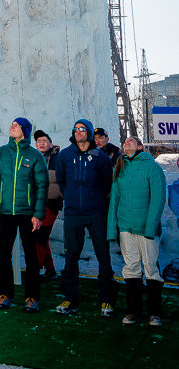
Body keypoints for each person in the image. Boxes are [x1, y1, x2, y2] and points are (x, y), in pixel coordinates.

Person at [55, 118, 115, 317]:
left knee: (103, 255)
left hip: (96, 212)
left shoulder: (100, 157)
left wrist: (95, 199)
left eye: (82, 129)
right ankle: (70, 298)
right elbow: (61, 180)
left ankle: (106, 299)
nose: (78, 132)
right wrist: (70, 196)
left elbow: (107, 183)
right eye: (76, 129)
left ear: (89, 132)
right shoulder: (65, 155)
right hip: (73, 213)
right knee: (71, 255)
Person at [0, 117, 48, 312]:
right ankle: (4, 295)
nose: (12, 127)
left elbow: (42, 186)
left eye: (17, 125)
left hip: (27, 214)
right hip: (4, 212)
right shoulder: (0, 153)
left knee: (31, 256)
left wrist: (38, 214)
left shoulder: (34, 155)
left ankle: (32, 297)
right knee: (3, 254)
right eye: (11, 124)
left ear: (25, 131)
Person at [107, 136, 166, 326]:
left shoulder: (152, 167)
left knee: (150, 267)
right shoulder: (120, 167)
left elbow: (158, 198)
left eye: (131, 140)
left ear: (140, 146)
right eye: (125, 141)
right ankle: (133, 311)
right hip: (126, 228)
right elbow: (114, 200)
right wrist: (112, 228)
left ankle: (154, 313)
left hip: (147, 229)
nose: (127, 142)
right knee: (131, 267)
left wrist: (150, 227)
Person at [33, 130, 62, 280]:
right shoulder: (33, 158)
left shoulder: (58, 158)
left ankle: (37, 268)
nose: (42, 143)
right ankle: (50, 270)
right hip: (35, 204)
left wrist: (60, 196)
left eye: (44, 141)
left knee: (41, 236)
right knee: (40, 237)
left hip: (50, 204)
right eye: (39, 141)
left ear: (51, 144)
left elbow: (64, 179)